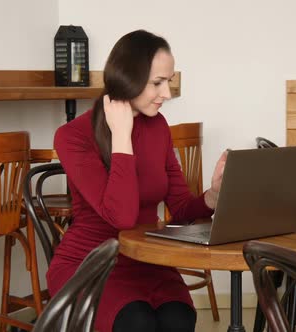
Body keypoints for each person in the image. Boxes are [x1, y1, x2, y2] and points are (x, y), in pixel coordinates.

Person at [47, 29, 227, 332]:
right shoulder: (72, 136)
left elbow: (181, 207)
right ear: (127, 79)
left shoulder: (158, 127)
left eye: (168, 81)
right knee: (136, 322)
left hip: (148, 259)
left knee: (178, 319)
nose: (167, 93)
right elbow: (122, 217)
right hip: (93, 262)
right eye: (157, 83)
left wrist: (213, 196)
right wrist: (121, 136)